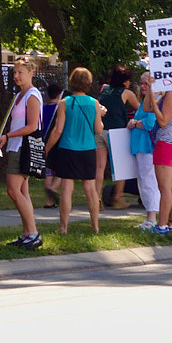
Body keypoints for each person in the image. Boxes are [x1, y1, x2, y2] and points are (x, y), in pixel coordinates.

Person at [44, 66, 104, 234]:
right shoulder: (95, 103)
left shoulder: (65, 103)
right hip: (88, 149)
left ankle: (63, 227)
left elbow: (58, 130)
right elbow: (99, 130)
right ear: (88, 84)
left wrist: (46, 148)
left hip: (68, 149)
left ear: (72, 82)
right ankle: (95, 226)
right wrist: (101, 116)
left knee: (67, 189)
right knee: (90, 190)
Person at [0, 57, 43, 250]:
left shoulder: (32, 95)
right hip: (15, 145)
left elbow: (32, 126)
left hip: (22, 147)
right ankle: (27, 233)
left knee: (13, 190)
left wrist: (8, 135)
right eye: (15, 72)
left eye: (20, 73)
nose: (16, 76)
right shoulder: (19, 95)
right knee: (23, 192)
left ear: (31, 73)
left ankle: (33, 233)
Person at [145, 77, 172, 234]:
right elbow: (148, 108)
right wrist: (150, 89)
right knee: (171, 187)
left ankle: (161, 226)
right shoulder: (167, 93)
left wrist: (155, 103)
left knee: (165, 189)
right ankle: (171, 223)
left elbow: (162, 121)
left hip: (167, 144)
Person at [98, 66, 137, 209]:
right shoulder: (127, 93)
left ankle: (96, 200)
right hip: (117, 132)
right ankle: (117, 197)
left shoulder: (105, 89)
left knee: (100, 167)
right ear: (125, 81)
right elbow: (141, 109)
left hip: (101, 130)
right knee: (121, 167)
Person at [128, 72, 162, 229]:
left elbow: (149, 123)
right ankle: (150, 216)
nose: (142, 87)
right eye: (141, 84)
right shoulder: (143, 103)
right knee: (143, 182)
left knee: (149, 182)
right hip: (140, 147)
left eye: (146, 84)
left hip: (147, 147)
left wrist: (135, 123)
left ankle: (152, 217)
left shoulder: (153, 101)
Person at [40, 81, 64, 207]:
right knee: (62, 170)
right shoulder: (60, 108)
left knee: (48, 172)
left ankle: (49, 201)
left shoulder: (43, 109)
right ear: (60, 95)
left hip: (46, 141)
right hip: (59, 142)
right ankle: (54, 188)